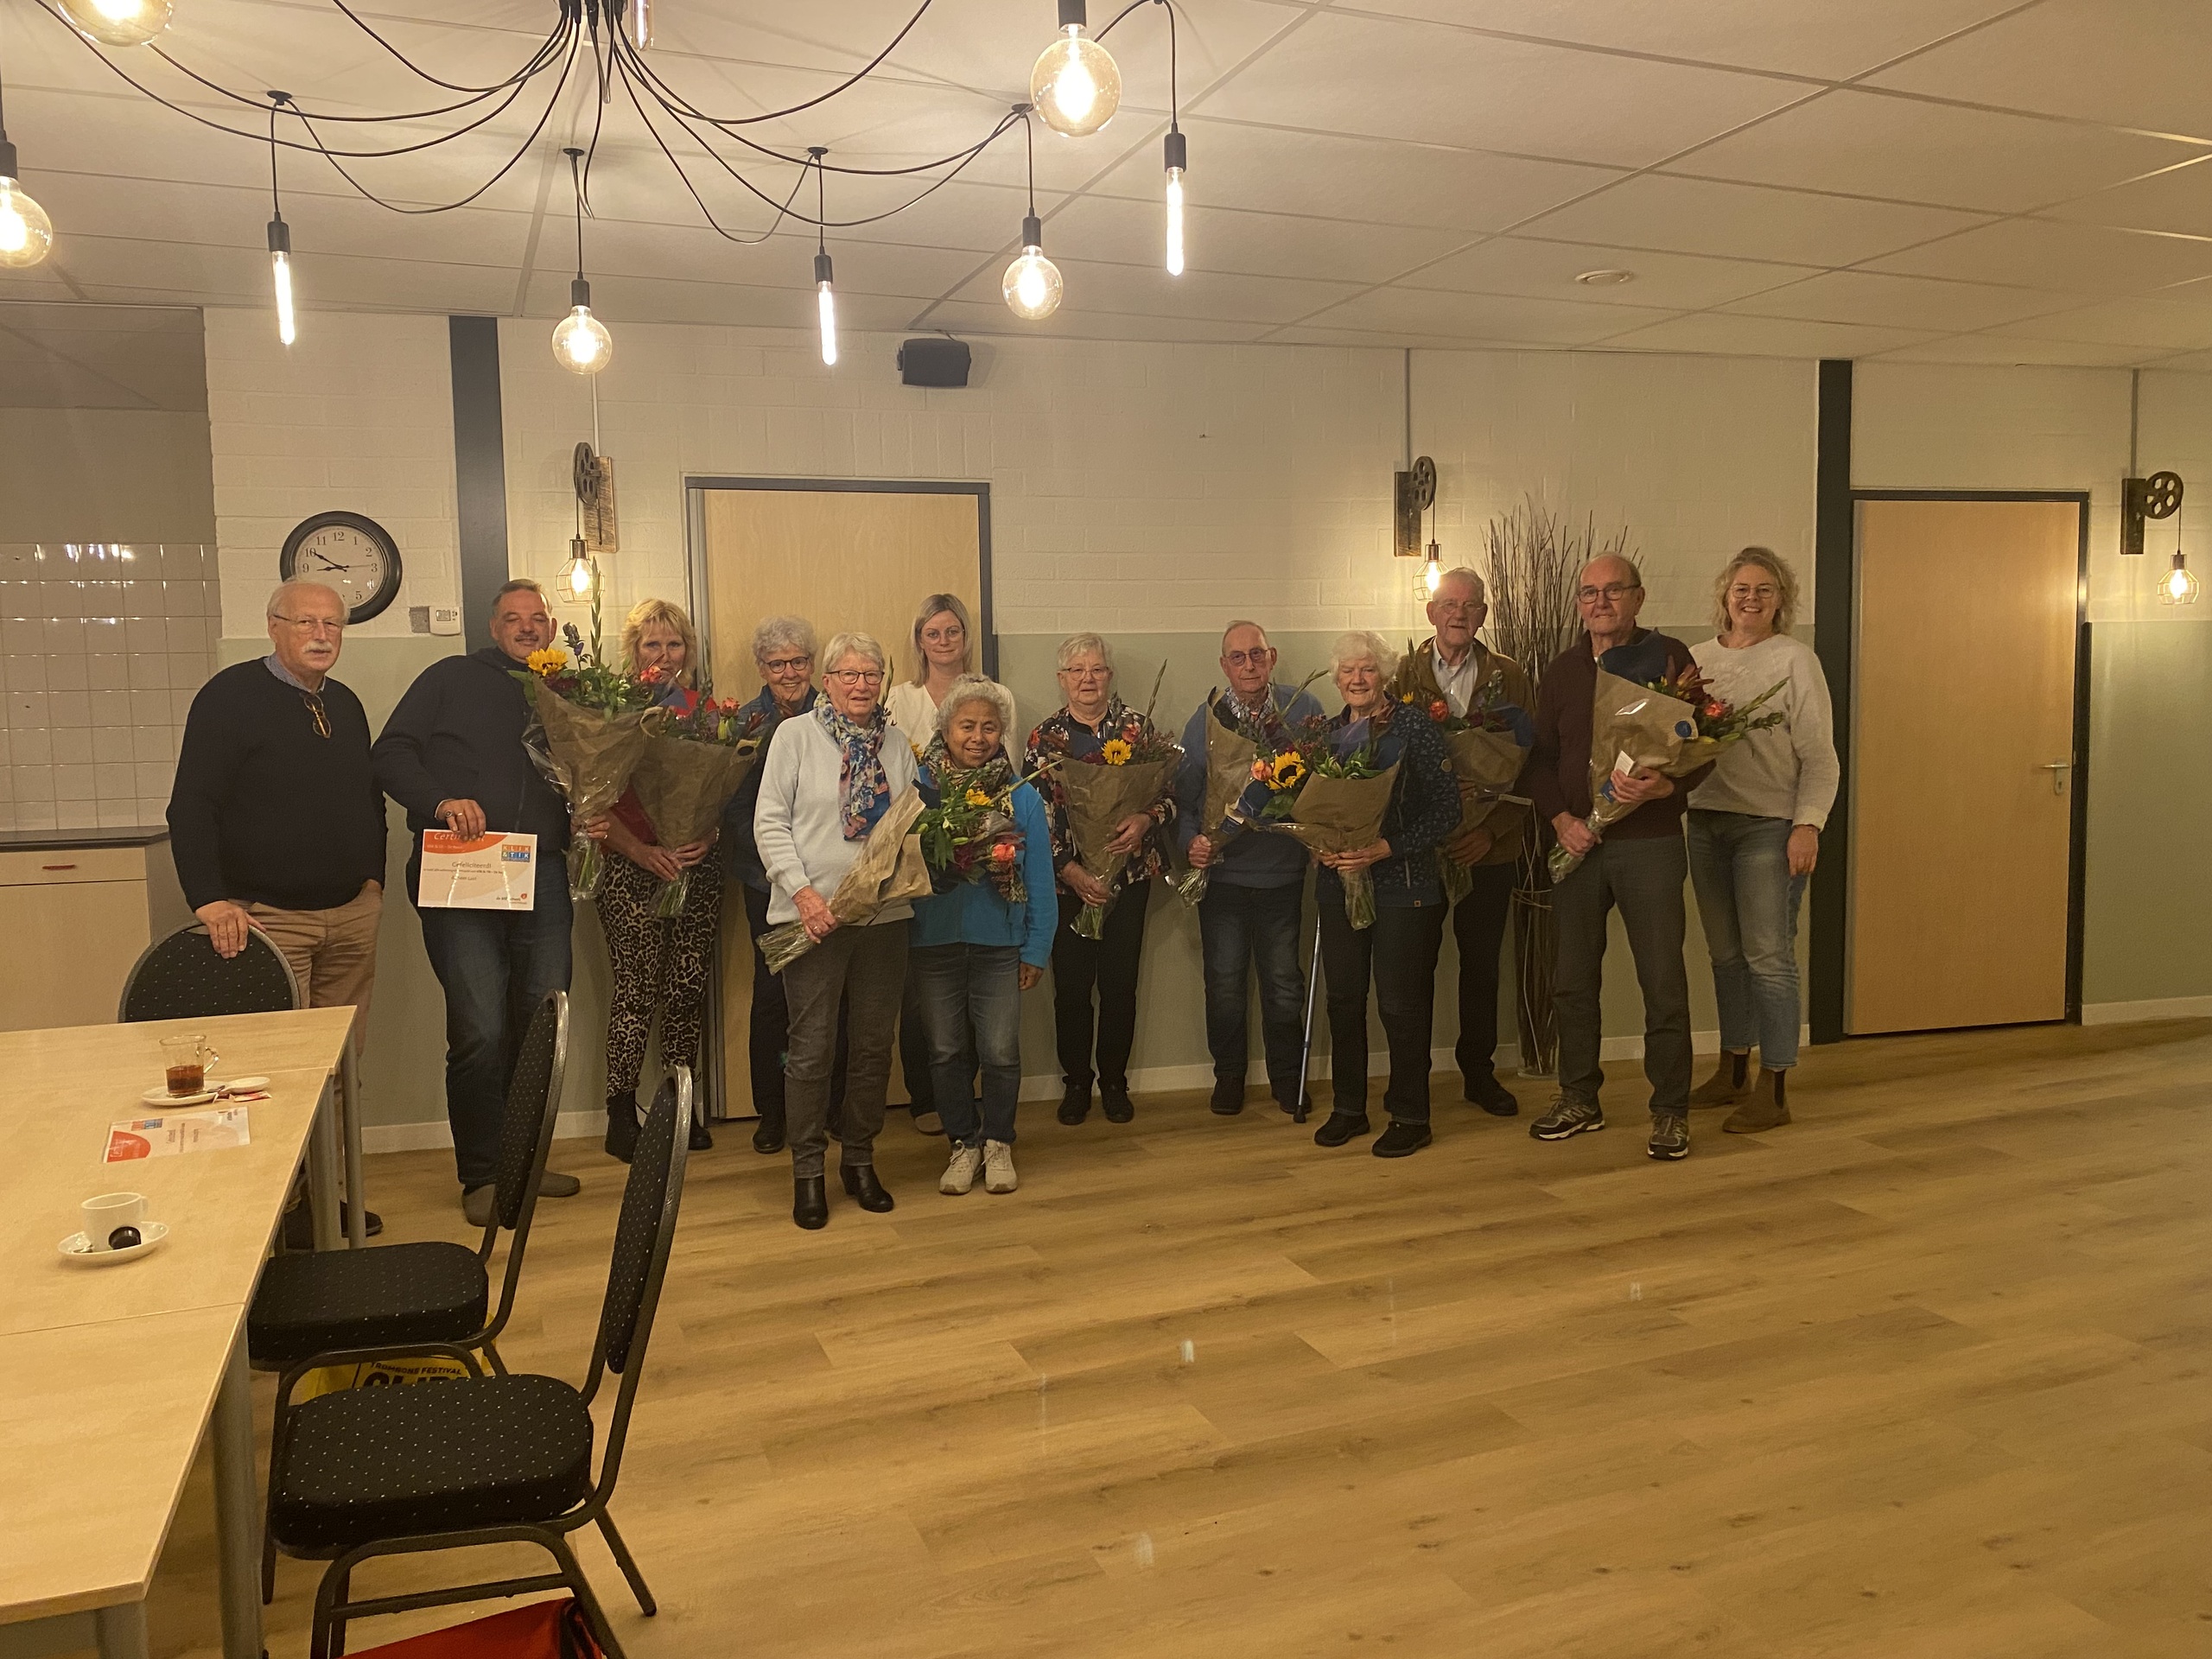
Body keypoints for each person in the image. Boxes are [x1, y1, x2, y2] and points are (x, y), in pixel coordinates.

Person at [168, 578, 388, 1236]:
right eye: (306, 623)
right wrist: (209, 899)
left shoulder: (345, 704)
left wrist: (372, 884)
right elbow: (192, 805)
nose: (322, 635)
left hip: (350, 916)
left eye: (333, 625)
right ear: (273, 626)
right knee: (272, 1077)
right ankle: (272, 1210)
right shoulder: (229, 698)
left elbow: (368, 802)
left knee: (341, 1070)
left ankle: (324, 1202)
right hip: (268, 923)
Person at [372, 578, 582, 1224]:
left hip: (540, 872)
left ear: (550, 630)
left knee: (540, 1025)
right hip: (460, 866)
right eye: (512, 618)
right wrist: (439, 803)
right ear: (493, 627)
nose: (526, 627)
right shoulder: (450, 678)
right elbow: (389, 755)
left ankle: (525, 1161)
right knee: (481, 1029)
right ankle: (484, 1176)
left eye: (537, 619)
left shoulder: (568, 693)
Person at [1523, 555, 1712, 1163]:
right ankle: (1579, 1099)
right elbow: (1540, 760)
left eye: (1613, 591)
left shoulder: (1669, 659)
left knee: (1663, 981)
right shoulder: (1561, 671)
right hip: (1579, 844)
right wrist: (1561, 821)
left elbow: (1703, 747)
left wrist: (1668, 789)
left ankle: (1670, 1111)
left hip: (1650, 845)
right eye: (1589, 593)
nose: (1600, 602)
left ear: (1638, 597)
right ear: (1579, 603)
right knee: (1573, 981)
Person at [753, 630, 920, 1231]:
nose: (860, 684)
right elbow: (769, 822)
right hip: (812, 920)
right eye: (847, 674)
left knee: (874, 1045)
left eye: (871, 675)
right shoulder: (794, 738)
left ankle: (859, 1159)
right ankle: (807, 1172)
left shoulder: (897, 744)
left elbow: (905, 826)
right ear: (827, 682)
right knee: (812, 1049)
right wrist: (802, 894)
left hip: (884, 918)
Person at [1687, 548, 1838, 1135]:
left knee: (1769, 960)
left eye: (1765, 590)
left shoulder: (1796, 660)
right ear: (1725, 594)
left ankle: (1774, 1088)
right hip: (1705, 823)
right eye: (1742, 588)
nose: (1751, 598)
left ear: (1782, 600)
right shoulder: (1697, 660)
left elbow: (1820, 757)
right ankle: (1732, 1069)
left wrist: (1808, 825)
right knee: (1724, 955)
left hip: (1770, 827)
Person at [1389, 567, 1535, 1116]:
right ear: (1431, 613)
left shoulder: (1511, 676)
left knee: (1481, 968)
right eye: (1448, 603)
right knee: (1414, 969)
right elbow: (1385, 763)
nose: (1458, 613)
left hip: (1487, 850)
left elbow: (1528, 762)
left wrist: (1489, 829)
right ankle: (1413, 1081)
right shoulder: (1401, 675)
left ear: (1483, 614)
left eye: (1470, 605)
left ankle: (1479, 1073)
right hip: (1421, 856)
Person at [1310, 632, 1461, 1158]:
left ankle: (1411, 1114)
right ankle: (1350, 1107)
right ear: (1336, 678)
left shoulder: (1414, 726)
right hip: (1338, 886)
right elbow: (1310, 812)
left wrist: (1384, 848)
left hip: (1404, 887)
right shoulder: (1326, 735)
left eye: (1368, 670)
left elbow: (1447, 810)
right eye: (1348, 670)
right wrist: (1319, 846)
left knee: (1400, 1005)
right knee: (1344, 1001)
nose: (1357, 679)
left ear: (1385, 675)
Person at [586, 599, 719, 1163]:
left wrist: (705, 836)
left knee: (687, 992)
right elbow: (590, 802)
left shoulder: (705, 712)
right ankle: (621, 1113)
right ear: (633, 651)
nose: (663, 657)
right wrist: (641, 851)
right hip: (627, 866)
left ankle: (678, 1106)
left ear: (687, 652)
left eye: (673, 645)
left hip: (694, 866)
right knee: (637, 993)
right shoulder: (608, 711)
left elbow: (719, 788)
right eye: (651, 645)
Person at [912, 677, 1056, 1196]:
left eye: (989, 727)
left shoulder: (1024, 799)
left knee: (999, 1051)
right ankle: (962, 1144)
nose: (978, 737)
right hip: (932, 942)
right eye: (966, 726)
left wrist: (1036, 948)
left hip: (1001, 944)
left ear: (1002, 734)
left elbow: (1040, 881)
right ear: (945, 729)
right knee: (946, 1051)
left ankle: (998, 1141)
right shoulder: (918, 793)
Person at [1024, 632, 1175, 1126]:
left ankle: (1114, 1081)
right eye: (1077, 670)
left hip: (1127, 881)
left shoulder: (1139, 731)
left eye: (1097, 669)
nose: (1088, 679)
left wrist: (1147, 819)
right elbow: (1033, 815)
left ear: (1109, 675)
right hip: (1068, 886)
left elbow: (1171, 795)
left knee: (1119, 986)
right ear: (1062, 679)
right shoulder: (1044, 739)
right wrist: (1068, 868)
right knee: (1071, 988)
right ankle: (1076, 1083)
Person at [1175, 620, 1325, 1116]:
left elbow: (1324, 788)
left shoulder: (1303, 711)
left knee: (1284, 982)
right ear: (1224, 666)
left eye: (1256, 654)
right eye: (1237, 657)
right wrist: (1192, 843)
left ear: (1272, 656)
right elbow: (1186, 800)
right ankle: (1230, 1077)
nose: (1248, 665)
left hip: (1283, 874)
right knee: (1224, 983)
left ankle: (1287, 1077)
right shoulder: (1205, 721)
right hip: (1224, 877)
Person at [883, 593, 1014, 1137]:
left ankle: (975, 1100)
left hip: (986, 853)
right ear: (919, 640)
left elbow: (1012, 770)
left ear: (966, 637)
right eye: (932, 632)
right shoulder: (898, 697)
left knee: (980, 1001)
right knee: (924, 998)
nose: (943, 641)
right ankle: (925, 1098)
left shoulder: (995, 694)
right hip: (922, 858)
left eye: (952, 632)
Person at [721, 614, 843, 1155]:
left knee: (831, 995)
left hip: (832, 884)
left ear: (813, 665)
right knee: (774, 996)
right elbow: (735, 811)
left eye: (798, 662)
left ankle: (831, 1107)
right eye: (778, 664)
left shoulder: (838, 714)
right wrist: (779, 874)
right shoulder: (745, 723)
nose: (790, 673)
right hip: (765, 884)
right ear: (762, 669)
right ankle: (773, 1112)